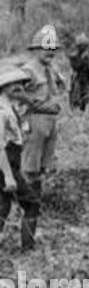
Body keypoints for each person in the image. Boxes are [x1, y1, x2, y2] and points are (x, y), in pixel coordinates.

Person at [18, 25, 66, 225]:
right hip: (34, 121)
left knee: (43, 167)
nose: (50, 52)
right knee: (29, 167)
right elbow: (16, 94)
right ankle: (26, 207)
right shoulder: (28, 70)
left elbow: (60, 89)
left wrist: (57, 74)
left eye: (53, 49)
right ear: (35, 49)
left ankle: (34, 205)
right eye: (45, 48)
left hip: (50, 124)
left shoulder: (50, 69)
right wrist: (40, 105)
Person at [0, 68, 39, 250]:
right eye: (11, 83)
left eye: (20, 83)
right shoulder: (1, 111)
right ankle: (28, 249)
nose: (17, 87)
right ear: (3, 86)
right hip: (4, 163)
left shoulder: (12, 107)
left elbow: (20, 134)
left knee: (3, 206)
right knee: (31, 203)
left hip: (11, 161)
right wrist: (8, 175)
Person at [67, 33, 89, 112]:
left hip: (87, 78)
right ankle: (75, 110)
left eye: (84, 46)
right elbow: (76, 66)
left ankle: (83, 110)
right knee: (75, 95)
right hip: (77, 77)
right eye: (81, 45)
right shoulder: (74, 56)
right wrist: (84, 62)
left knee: (86, 95)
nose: (83, 47)